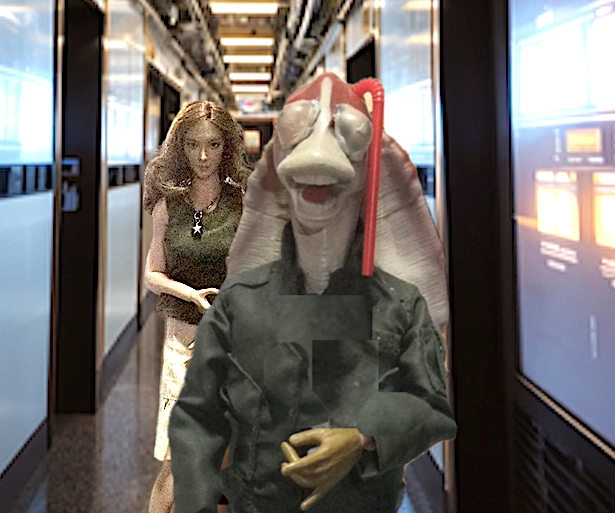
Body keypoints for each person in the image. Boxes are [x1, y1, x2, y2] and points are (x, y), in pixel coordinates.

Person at [169, 73, 457, 513]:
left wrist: (363, 437)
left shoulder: (400, 305)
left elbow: (431, 402)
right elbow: (197, 417)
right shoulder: (240, 303)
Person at [143, 100, 251, 513]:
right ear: (180, 148)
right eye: (192, 145)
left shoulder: (243, 203)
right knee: (175, 463)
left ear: (227, 148)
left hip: (236, 344)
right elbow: (152, 274)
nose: (203, 156)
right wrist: (189, 293)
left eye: (213, 145)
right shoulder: (168, 205)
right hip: (182, 344)